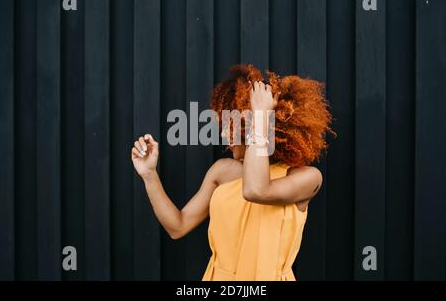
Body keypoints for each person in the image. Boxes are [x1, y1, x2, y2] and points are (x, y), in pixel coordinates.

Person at [131, 64, 335, 281]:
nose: (224, 134)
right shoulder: (222, 170)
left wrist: (260, 117)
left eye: (231, 125)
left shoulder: (306, 177)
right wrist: (149, 174)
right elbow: (177, 226)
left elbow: (256, 190)